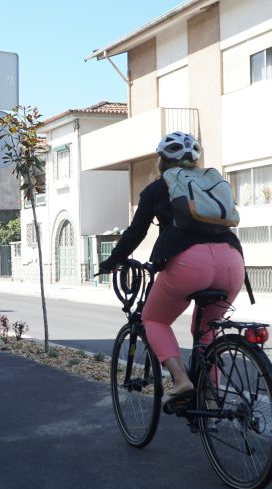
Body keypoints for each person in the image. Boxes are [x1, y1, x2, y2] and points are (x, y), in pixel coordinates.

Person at [98, 131, 246, 403]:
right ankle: (210, 397)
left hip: (189, 262)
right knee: (207, 329)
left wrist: (110, 262)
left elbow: (135, 233)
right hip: (232, 260)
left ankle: (181, 381)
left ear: (161, 161)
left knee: (154, 319)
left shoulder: (157, 189)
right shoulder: (212, 183)